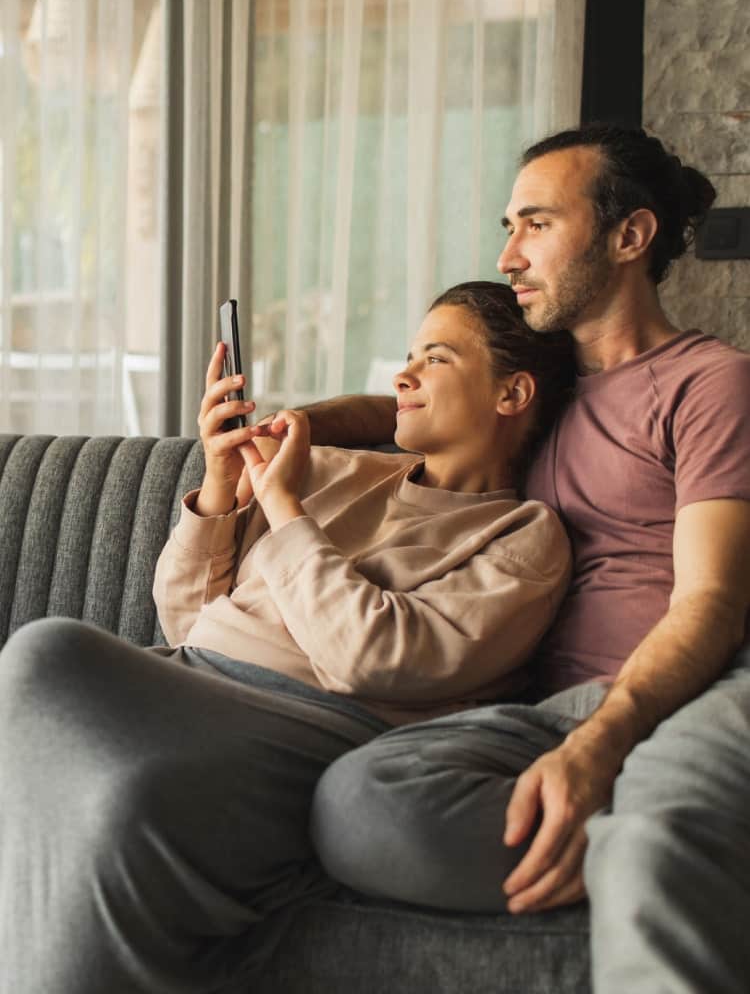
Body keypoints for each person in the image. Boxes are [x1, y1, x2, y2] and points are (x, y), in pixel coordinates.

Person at [0, 282, 575, 992]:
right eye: (406, 356)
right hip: (189, 686)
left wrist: (281, 503)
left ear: (513, 394)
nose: (403, 376)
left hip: (312, 727)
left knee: (45, 655)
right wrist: (218, 484)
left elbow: (378, 658)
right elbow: (189, 617)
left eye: (437, 359)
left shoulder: (519, 536)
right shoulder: (341, 470)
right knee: (111, 799)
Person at [308, 125, 750, 992]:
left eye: (537, 225)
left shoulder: (713, 383)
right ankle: (642, 855)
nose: (508, 256)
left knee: (658, 840)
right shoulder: (540, 394)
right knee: (357, 804)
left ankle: (658, 854)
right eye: (508, 226)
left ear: (630, 237)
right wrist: (299, 424)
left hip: (704, 682)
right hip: (551, 706)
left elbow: (713, 600)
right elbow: (411, 399)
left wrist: (599, 747)